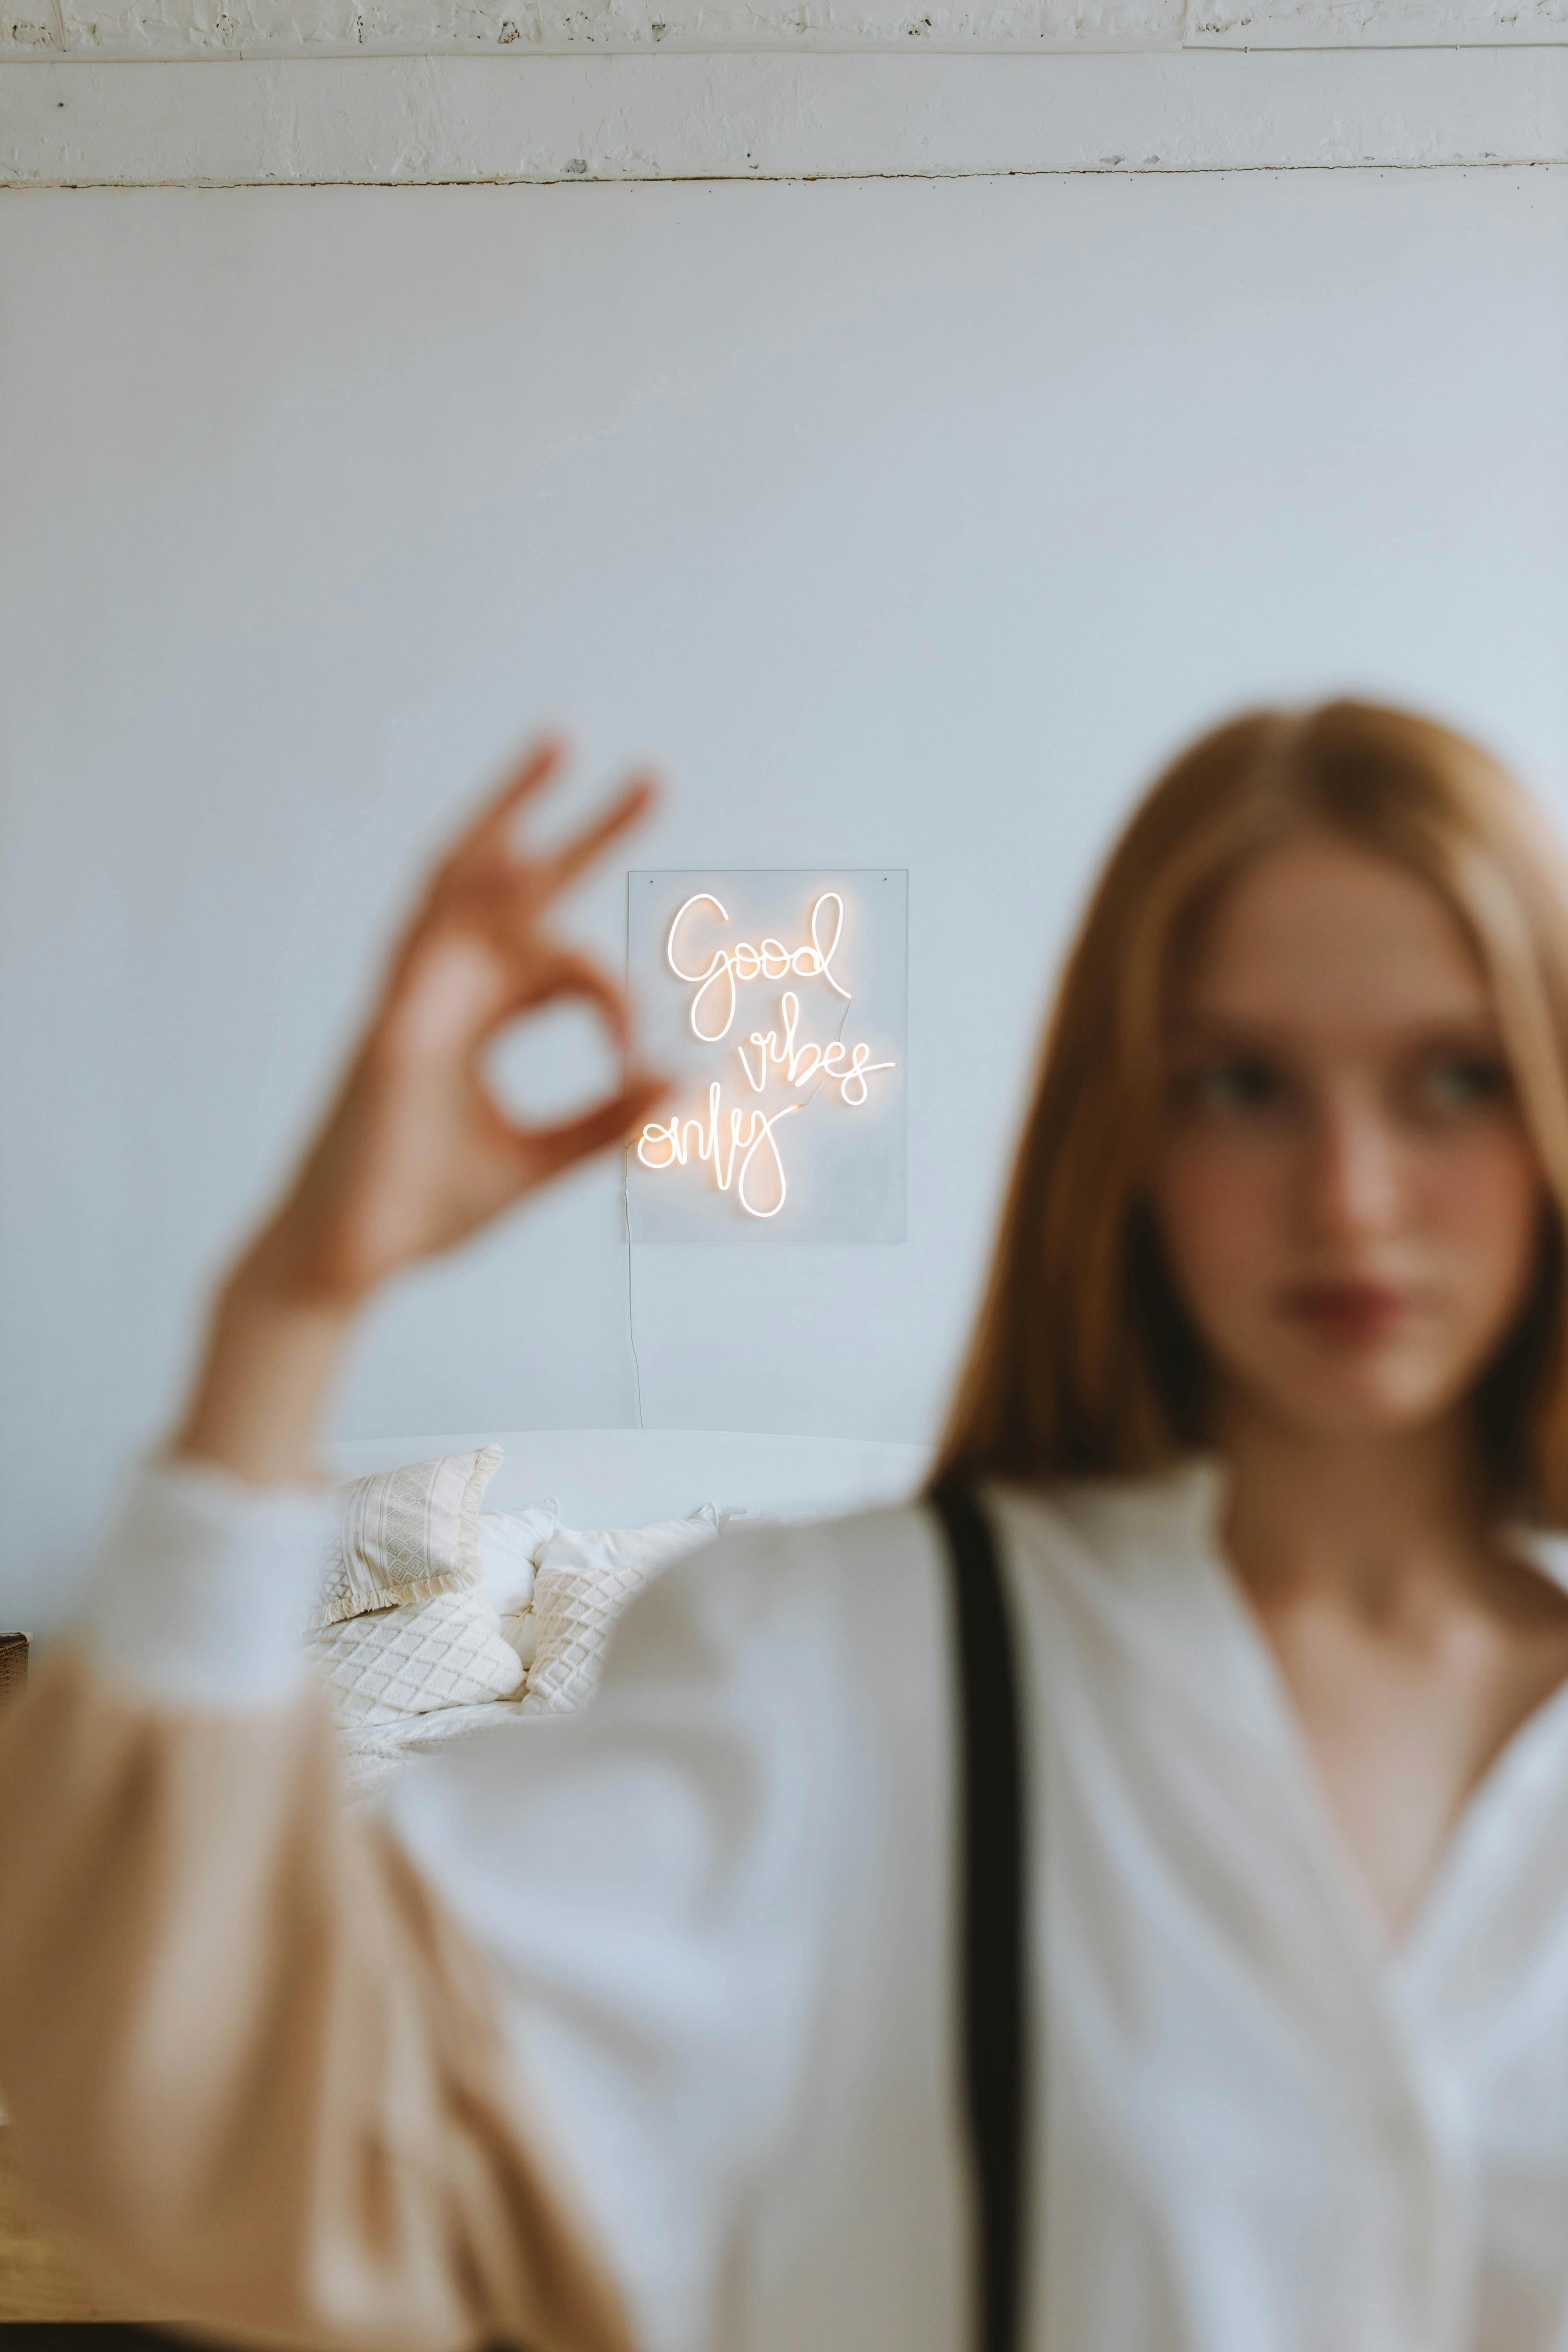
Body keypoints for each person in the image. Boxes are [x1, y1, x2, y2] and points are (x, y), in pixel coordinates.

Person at [4, 700, 1568, 2352]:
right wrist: (293, 1301)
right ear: (1129, 1138)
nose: (1351, 1192)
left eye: (1452, 1080)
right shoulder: (850, 1671)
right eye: (1243, 1084)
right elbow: (210, 2129)